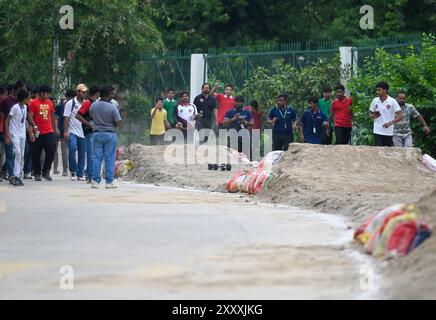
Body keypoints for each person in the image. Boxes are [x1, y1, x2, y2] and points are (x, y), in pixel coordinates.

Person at [90, 85, 122, 189]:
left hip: (96, 133)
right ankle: (109, 182)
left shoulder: (94, 105)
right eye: (112, 93)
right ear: (108, 94)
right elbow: (118, 121)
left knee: (96, 157)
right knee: (109, 158)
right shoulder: (112, 106)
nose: (112, 95)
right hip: (110, 134)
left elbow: (91, 116)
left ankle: (95, 181)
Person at [28, 85, 58, 181]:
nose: (48, 95)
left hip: (48, 131)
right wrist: (32, 129)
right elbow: (29, 117)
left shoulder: (49, 102)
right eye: (47, 93)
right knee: (36, 153)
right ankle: (37, 173)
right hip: (37, 132)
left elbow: (52, 116)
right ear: (41, 93)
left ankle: (46, 171)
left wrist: (54, 129)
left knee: (51, 151)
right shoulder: (33, 103)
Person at [0, 80, 26, 180]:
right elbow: (3, 117)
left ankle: (14, 172)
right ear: (18, 89)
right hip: (9, 131)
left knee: (20, 153)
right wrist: (6, 133)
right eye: (23, 89)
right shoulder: (6, 100)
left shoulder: (23, 103)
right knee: (10, 153)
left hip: (21, 132)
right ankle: (12, 175)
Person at [4, 89, 30, 186]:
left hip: (22, 133)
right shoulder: (15, 107)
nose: (29, 100)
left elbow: (24, 121)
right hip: (14, 133)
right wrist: (7, 135)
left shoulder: (25, 107)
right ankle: (14, 175)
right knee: (18, 153)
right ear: (24, 99)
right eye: (28, 98)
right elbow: (7, 121)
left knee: (22, 155)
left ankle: (18, 176)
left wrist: (30, 131)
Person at [64, 84, 88, 181]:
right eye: (83, 92)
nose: (84, 94)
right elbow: (66, 117)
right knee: (72, 149)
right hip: (72, 131)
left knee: (82, 153)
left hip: (83, 132)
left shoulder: (86, 103)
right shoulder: (70, 103)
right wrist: (66, 131)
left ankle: (80, 173)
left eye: (86, 92)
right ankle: (73, 170)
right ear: (78, 92)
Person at [76, 85, 100, 183]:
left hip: (94, 131)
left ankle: (89, 173)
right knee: (91, 154)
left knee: (93, 154)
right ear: (97, 93)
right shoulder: (87, 102)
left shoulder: (95, 102)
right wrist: (88, 124)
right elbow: (77, 115)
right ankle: (89, 175)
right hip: (89, 131)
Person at [369, 82, 403, 147]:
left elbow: (401, 115)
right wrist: (373, 116)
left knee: (387, 153)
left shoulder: (392, 101)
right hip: (377, 131)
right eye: (376, 90)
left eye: (379, 90)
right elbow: (370, 114)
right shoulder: (375, 100)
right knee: (378, 151)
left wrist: (390, 123)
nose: (377, 92)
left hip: (388, 132)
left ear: (385, 90)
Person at [54, 90, 75, 176]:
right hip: (63, 132)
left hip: (74, 132)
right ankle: (65, 169)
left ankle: (73, 169)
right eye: (70, 98)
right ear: (67, 98)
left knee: (72, 151)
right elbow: (56, 118)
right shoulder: (60, 107)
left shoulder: (76, 106)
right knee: (64, 152)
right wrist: (56, 129)